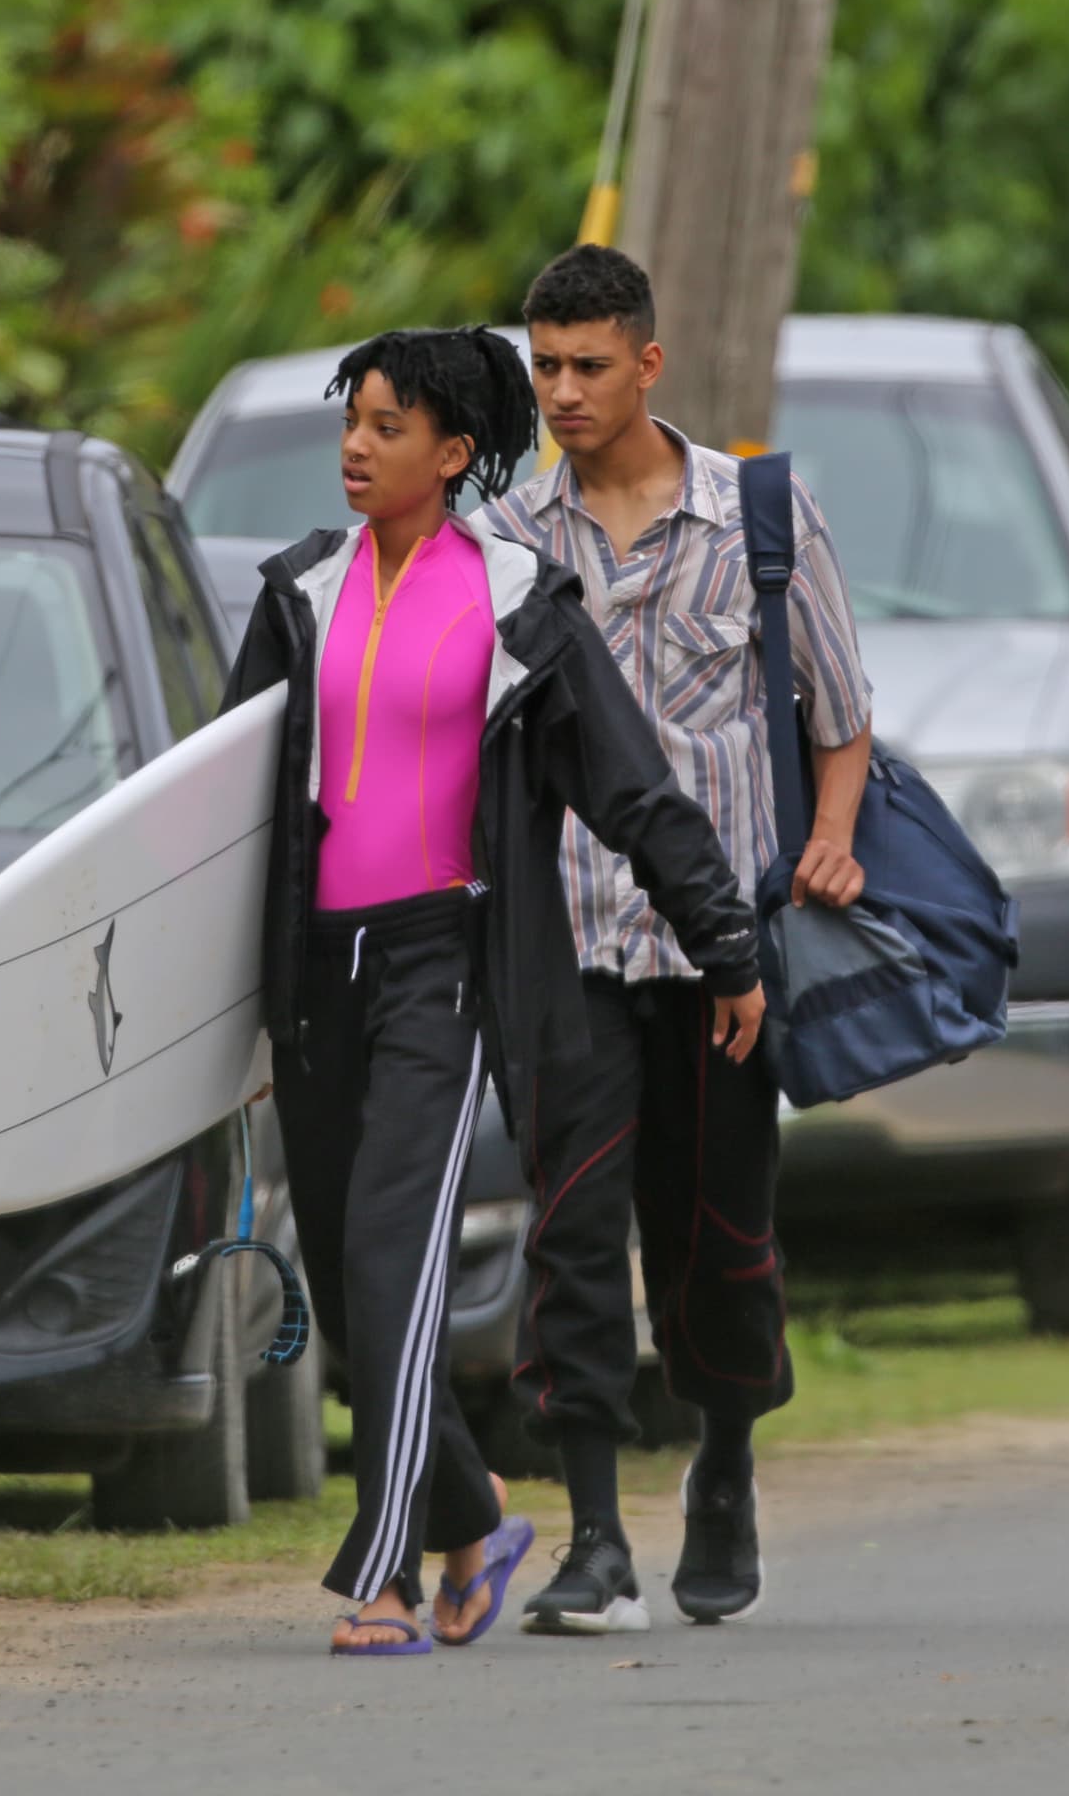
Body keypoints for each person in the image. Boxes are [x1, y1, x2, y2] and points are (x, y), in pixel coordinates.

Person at [221, 323, 767, 1656]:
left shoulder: (519, 606)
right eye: (349, 420)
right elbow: (225, 812)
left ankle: (385, 1574)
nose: (355, 445)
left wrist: (727, 943)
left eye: (386, 426)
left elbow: (635, 788)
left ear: (453, 454)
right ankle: (472, 1515)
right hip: (317, 982)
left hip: (443, 968)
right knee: (357, 1292)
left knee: (387, 1256)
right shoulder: (300, 589)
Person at [485, 246, 872, 1635]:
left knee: (718, 1232)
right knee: (573, 1236)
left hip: (727, 960)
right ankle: (593, 1534)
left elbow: (840, 713)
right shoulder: (515, 541)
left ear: (650, 363)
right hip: (575, 946)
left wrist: (829, 838)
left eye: (590, 365)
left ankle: (724, 1463)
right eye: (545, 367)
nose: (565, 392)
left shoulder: (758, 516)